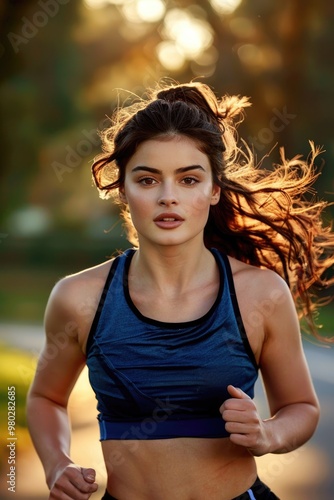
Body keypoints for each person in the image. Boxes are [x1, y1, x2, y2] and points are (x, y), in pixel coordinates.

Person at [27, 80, 334, 500]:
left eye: (188, 180)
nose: (168, 197)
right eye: (148, 180)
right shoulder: (78, 298)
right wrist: (56, 462)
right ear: (122, 189)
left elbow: (302, 407)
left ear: (214, 190)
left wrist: (267, 433)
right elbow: (45, 397)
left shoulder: (260, 295)